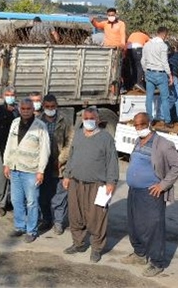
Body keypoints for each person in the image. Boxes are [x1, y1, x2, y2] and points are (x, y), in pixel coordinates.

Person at [120, 113, 178, 276]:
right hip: (134, 191)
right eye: (136, 125)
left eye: (142, 124)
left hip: (151, 194)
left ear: (149, 124)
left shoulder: (162, 144)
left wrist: (163, 185)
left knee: (152, 228)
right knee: (135, 225)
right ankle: (140, 254)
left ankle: (157, 262)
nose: (138, 128)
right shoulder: (138, 141)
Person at [63, 107, 119, 263]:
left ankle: (96, 248)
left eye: (92, 118)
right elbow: (72, 156)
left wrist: (111, 182)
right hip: (76, 182)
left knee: (97, 217)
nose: (88, 121)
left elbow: (112, 161)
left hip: (97, 185)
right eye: (86, 118)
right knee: (76, 215)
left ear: (98, 120)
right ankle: (78, 243)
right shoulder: (79, 134)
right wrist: (67, 175)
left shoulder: (106, 138)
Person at [3, 98, 50, 243]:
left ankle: (31, 230)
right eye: (23, 108)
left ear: (33, 109)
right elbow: (9, 144)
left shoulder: (40, 126)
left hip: (31, 171)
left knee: (31, 202)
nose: (25, 111)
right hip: (15, 168)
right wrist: (6, 163)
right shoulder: (15, 123)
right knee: (16, 200)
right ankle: (19, 227)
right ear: (19, 109)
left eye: (28, 109)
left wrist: (41, 170)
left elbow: (45, 150)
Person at [38, 94, 74, 235]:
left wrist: (60, 159)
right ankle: (46, 219)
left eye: (53, 107)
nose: (50, 109)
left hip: (59, 166)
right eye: (47, 107)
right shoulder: (38, 121)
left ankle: (58, 222)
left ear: (57, 106)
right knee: (43, 195)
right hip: (42, 165)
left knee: (60, 195)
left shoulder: (65, 120)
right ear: (43, 106)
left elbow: (70, 143)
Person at [141, 27, 173, 127]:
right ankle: (167, 121)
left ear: (157, 33)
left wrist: (146, 71)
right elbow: (164, 62)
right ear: (164, 35)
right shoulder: (163, 46)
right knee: (165, 98)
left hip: (149, 72)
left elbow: (143, 61)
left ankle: (150, 120)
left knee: (149, 98)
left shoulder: (147, 44)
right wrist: (170, 75)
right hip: (160, 74)